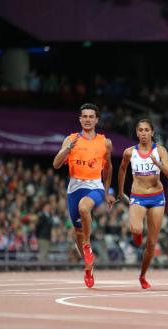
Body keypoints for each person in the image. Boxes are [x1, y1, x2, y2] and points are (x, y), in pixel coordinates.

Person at [53, 103, 115, 288]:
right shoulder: (70, 139)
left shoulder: (105, 142)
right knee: (78, 232)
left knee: (84, 207)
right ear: (80, 119)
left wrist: (107, 191)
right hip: (74, 188)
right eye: (84, 116)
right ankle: (88, 267)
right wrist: (66, 150)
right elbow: (56, 164)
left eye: (91, 117)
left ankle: (88, 246)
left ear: (96, 120)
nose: (87, 120)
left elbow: (109, 167)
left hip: (94, 186)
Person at [117, 118, 168, 289]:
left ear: (152, 133)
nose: (143, 133)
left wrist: (159, 165)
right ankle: (137, 234)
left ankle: (142, 276)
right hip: (138, 196)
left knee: (151, 243)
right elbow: (122, 169)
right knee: (136, 229)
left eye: (146, 130)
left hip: (157, 197)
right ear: (137, 133)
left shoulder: (160, 151)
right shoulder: (129, 152)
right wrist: (120, 191)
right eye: (140, 130)